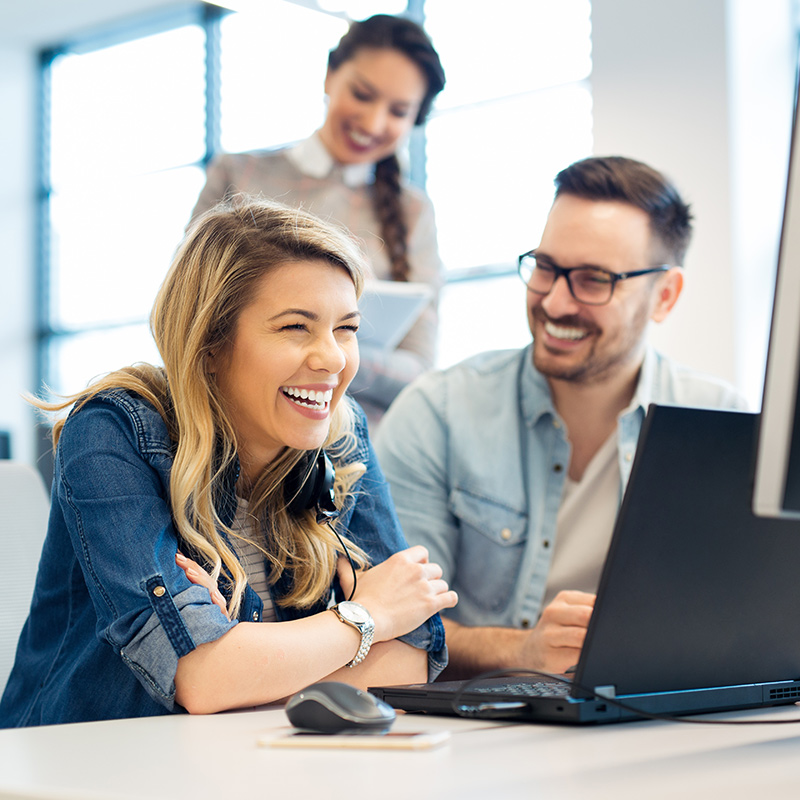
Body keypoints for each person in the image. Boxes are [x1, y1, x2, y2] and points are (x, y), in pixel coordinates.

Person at [0, 197, 457, 728]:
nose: (333, 357)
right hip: (81, 763)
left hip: (244, 761)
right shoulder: (111, 430)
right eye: (295, 328)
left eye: (346, 329)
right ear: (210, 343)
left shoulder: (340, 432)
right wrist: (366, 616)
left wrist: (248, 657)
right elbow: (204, 679)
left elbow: (411, 660)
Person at [374, 156, 748, 680]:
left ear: (664, 296)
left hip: (658, 726)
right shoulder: (437, 412)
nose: (554, 301)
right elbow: (393, 627)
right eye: (546, 267)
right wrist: (522, 650)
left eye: (594, 280)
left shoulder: (726, 427)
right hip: (481, 737)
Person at [190, 14, 446, 425]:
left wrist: (324, 348)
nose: (374, 122)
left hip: (354, 447)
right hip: (232, 429)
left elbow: (419, 370)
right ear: (330, 75)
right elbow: (186, 316)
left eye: (398, 111)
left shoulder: (414, 214)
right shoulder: (239, 176)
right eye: (363, 94)